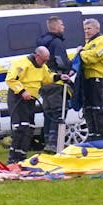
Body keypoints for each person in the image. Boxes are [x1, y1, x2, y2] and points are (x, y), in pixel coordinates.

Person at [5, 46, 55, 164]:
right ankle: (13, 158)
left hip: (31, 100)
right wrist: (22, 91)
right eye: (44, 60)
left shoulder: (42, 66)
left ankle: (22, 156)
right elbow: (10, 79)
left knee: (30, 128)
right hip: (18, 98)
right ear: (37, 56)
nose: (45, 63)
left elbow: (48, 78)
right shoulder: (22, 64)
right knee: (20, 127)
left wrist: (59, 77)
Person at [36, 16, 72, 152]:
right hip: (57, 82)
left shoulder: (42, 43)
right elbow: (61, 62)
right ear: (55, 27)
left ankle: (47, 141)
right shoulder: (57, 43)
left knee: (48, 113)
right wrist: (70, 66)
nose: (63, 27)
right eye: (62, 24)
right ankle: (54, 144)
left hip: (45, 82)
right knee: (58, 113)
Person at [77, 18, 103, 141]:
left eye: (89, 28)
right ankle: (92, 134)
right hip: (89, 78)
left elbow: (92, 57)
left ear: (97, 29)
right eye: (85, 29)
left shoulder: (102, 41)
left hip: (100, 76)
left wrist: (81, 52)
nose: (86, 31)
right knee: (88, 108)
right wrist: (83, 53)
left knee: (98, 107)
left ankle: (101, 135)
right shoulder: (88, 43)